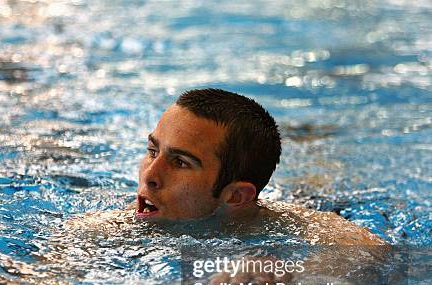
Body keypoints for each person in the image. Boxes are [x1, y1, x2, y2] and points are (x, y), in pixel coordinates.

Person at [131, 88, 385, 246]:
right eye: (153, 151)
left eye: (180, 162)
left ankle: (316, 139)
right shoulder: (128, 219)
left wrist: (289, 283)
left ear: (235, 195)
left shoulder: (303, 230)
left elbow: (379, 258)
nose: (150, 175)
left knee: (319, 178)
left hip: (320, 202)